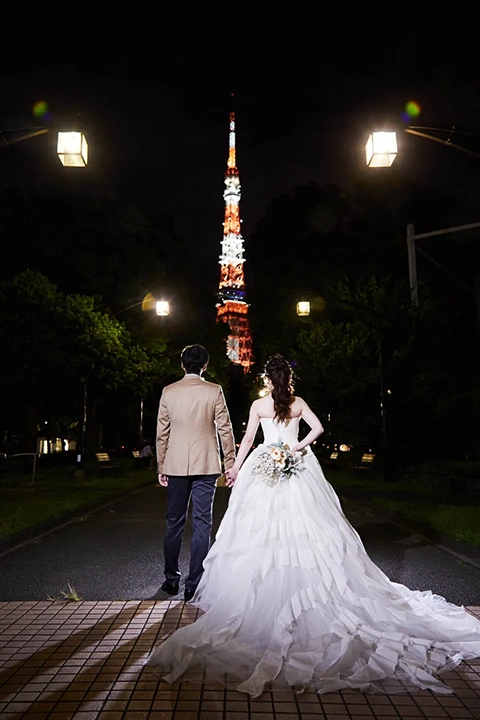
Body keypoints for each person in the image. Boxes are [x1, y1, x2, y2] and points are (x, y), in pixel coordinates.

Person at [148, 354, 480, 696]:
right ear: (287, 379)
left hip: (263, 467)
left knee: (258, 529)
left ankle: (258, 588)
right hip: (297, 467)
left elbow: (247, 440)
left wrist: (235, 467)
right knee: (308, 524)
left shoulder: (259, 405)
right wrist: (298, 448)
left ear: (267, 379)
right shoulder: (298, 403)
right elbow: (318, 428)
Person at [156, 344, 235, 602]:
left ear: (182, 364)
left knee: (174, 523)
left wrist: (161, 465)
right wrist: (230, 462)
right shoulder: (214, 391)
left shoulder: (169, 392)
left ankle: (171, 580)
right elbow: (225, 429)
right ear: (205, 366)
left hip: (176, 466)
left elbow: (162, 433)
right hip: (206, 466)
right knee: (202, 524)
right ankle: (194, 583)